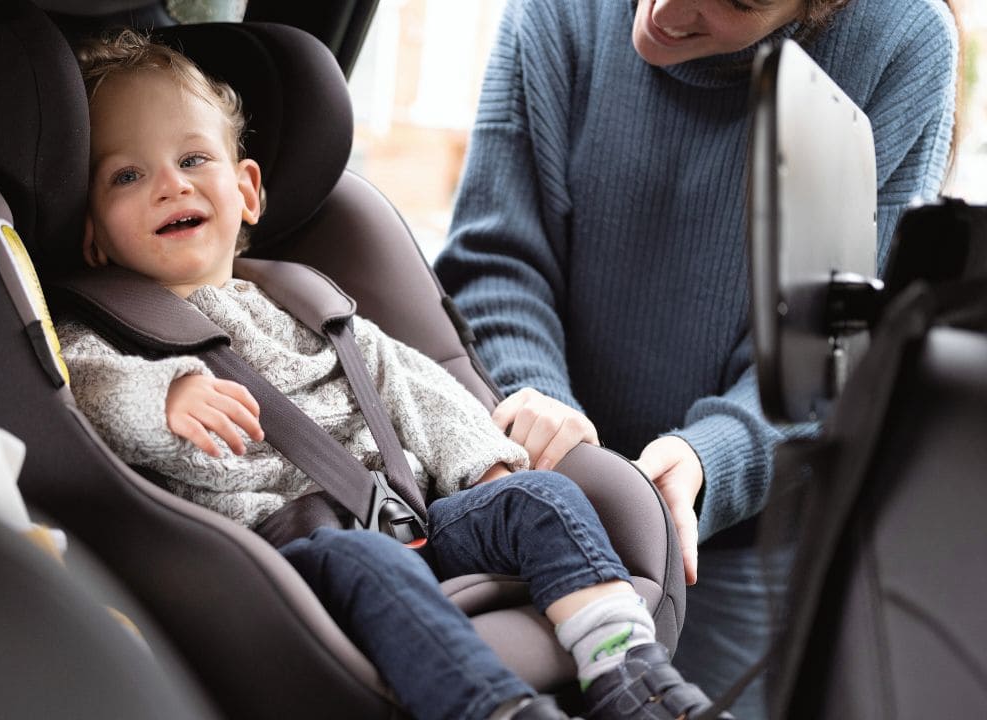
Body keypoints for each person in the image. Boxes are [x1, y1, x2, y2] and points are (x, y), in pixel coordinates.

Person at [59, 30, 728, 720]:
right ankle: (497, 709)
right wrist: (166, 395)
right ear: (93, 235)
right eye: (127, 176)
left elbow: (416, 390)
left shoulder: (307, 303)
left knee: (541, 500)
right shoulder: (104, 334)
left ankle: (632, 677)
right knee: (367, 563)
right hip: (287, 557)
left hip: (409, 515)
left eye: (193, 157)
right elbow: (81, 388)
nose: (171, 183)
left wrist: (486, 470)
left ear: (248, 188)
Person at [433, 0, 960, 716]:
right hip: (541, 489)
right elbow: (498, 260)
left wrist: (709, 460)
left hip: (739, 546)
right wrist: (549, 424)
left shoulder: (900, 39)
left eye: (737, 1)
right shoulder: (558, 13)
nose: (668, 13)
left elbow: (838, 343)